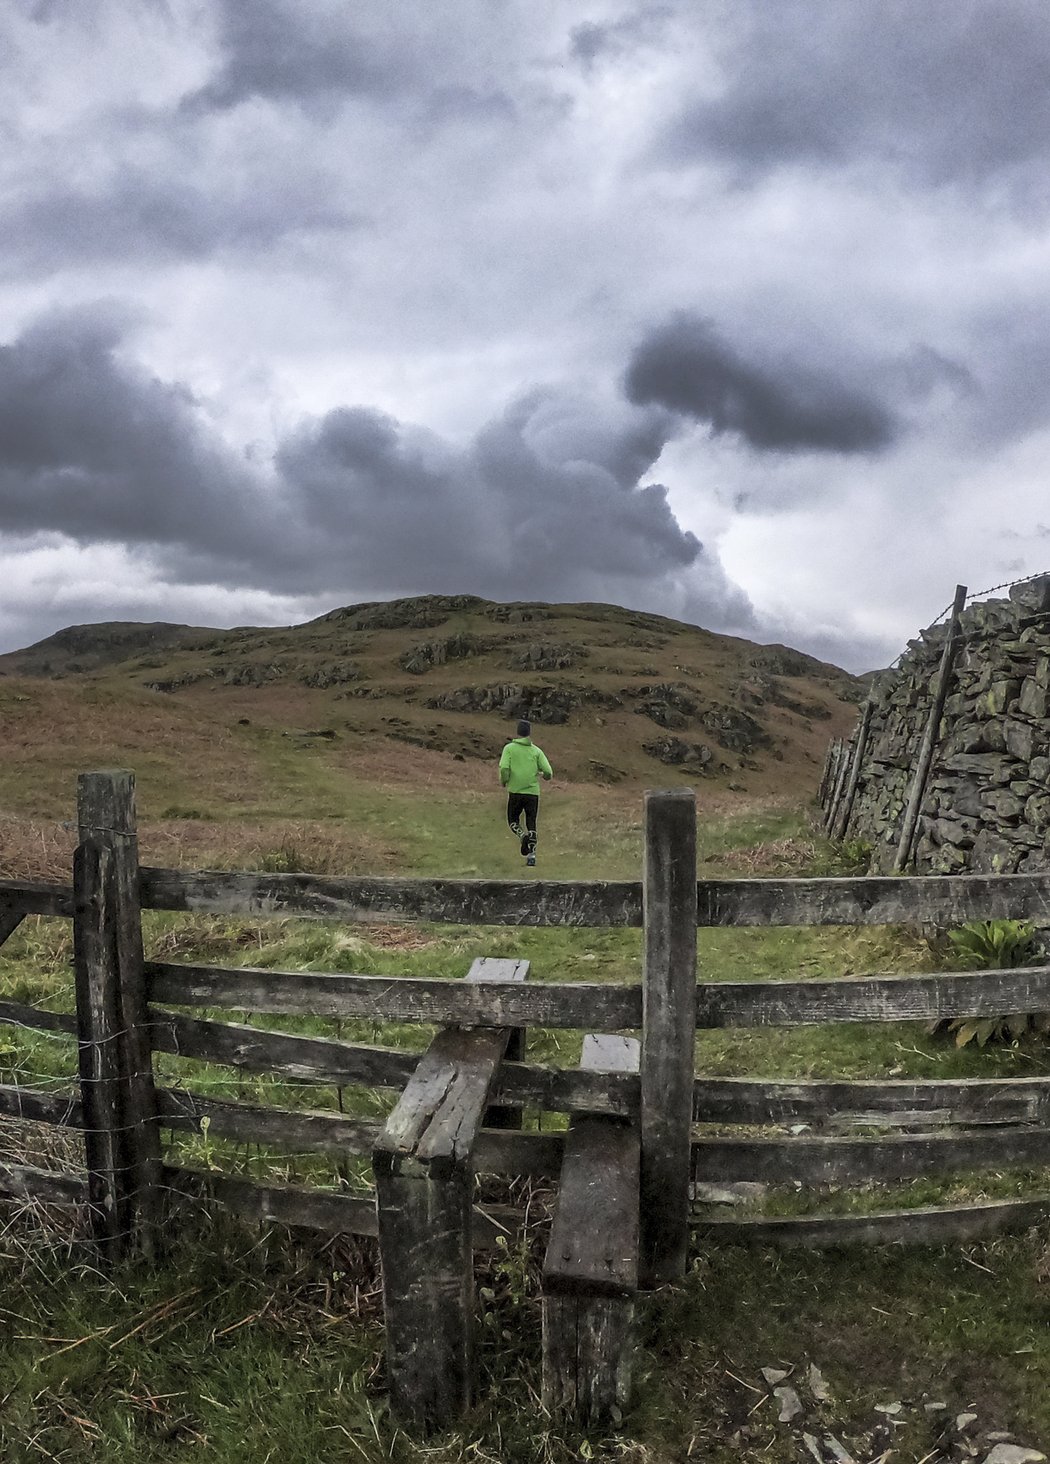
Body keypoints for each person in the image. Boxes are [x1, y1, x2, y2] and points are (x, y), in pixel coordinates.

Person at [499, 719, 552, 866]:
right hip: (532, 793)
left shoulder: (509, 749)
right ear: (529, 733)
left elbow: (504, 767)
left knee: (513, 820)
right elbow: (548, 771)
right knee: (531, 822)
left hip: (515, 791)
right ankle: (532, 856)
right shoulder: (536, 751)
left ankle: (522, 836)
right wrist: (545, 776)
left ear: (517, 732)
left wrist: (504, 780)